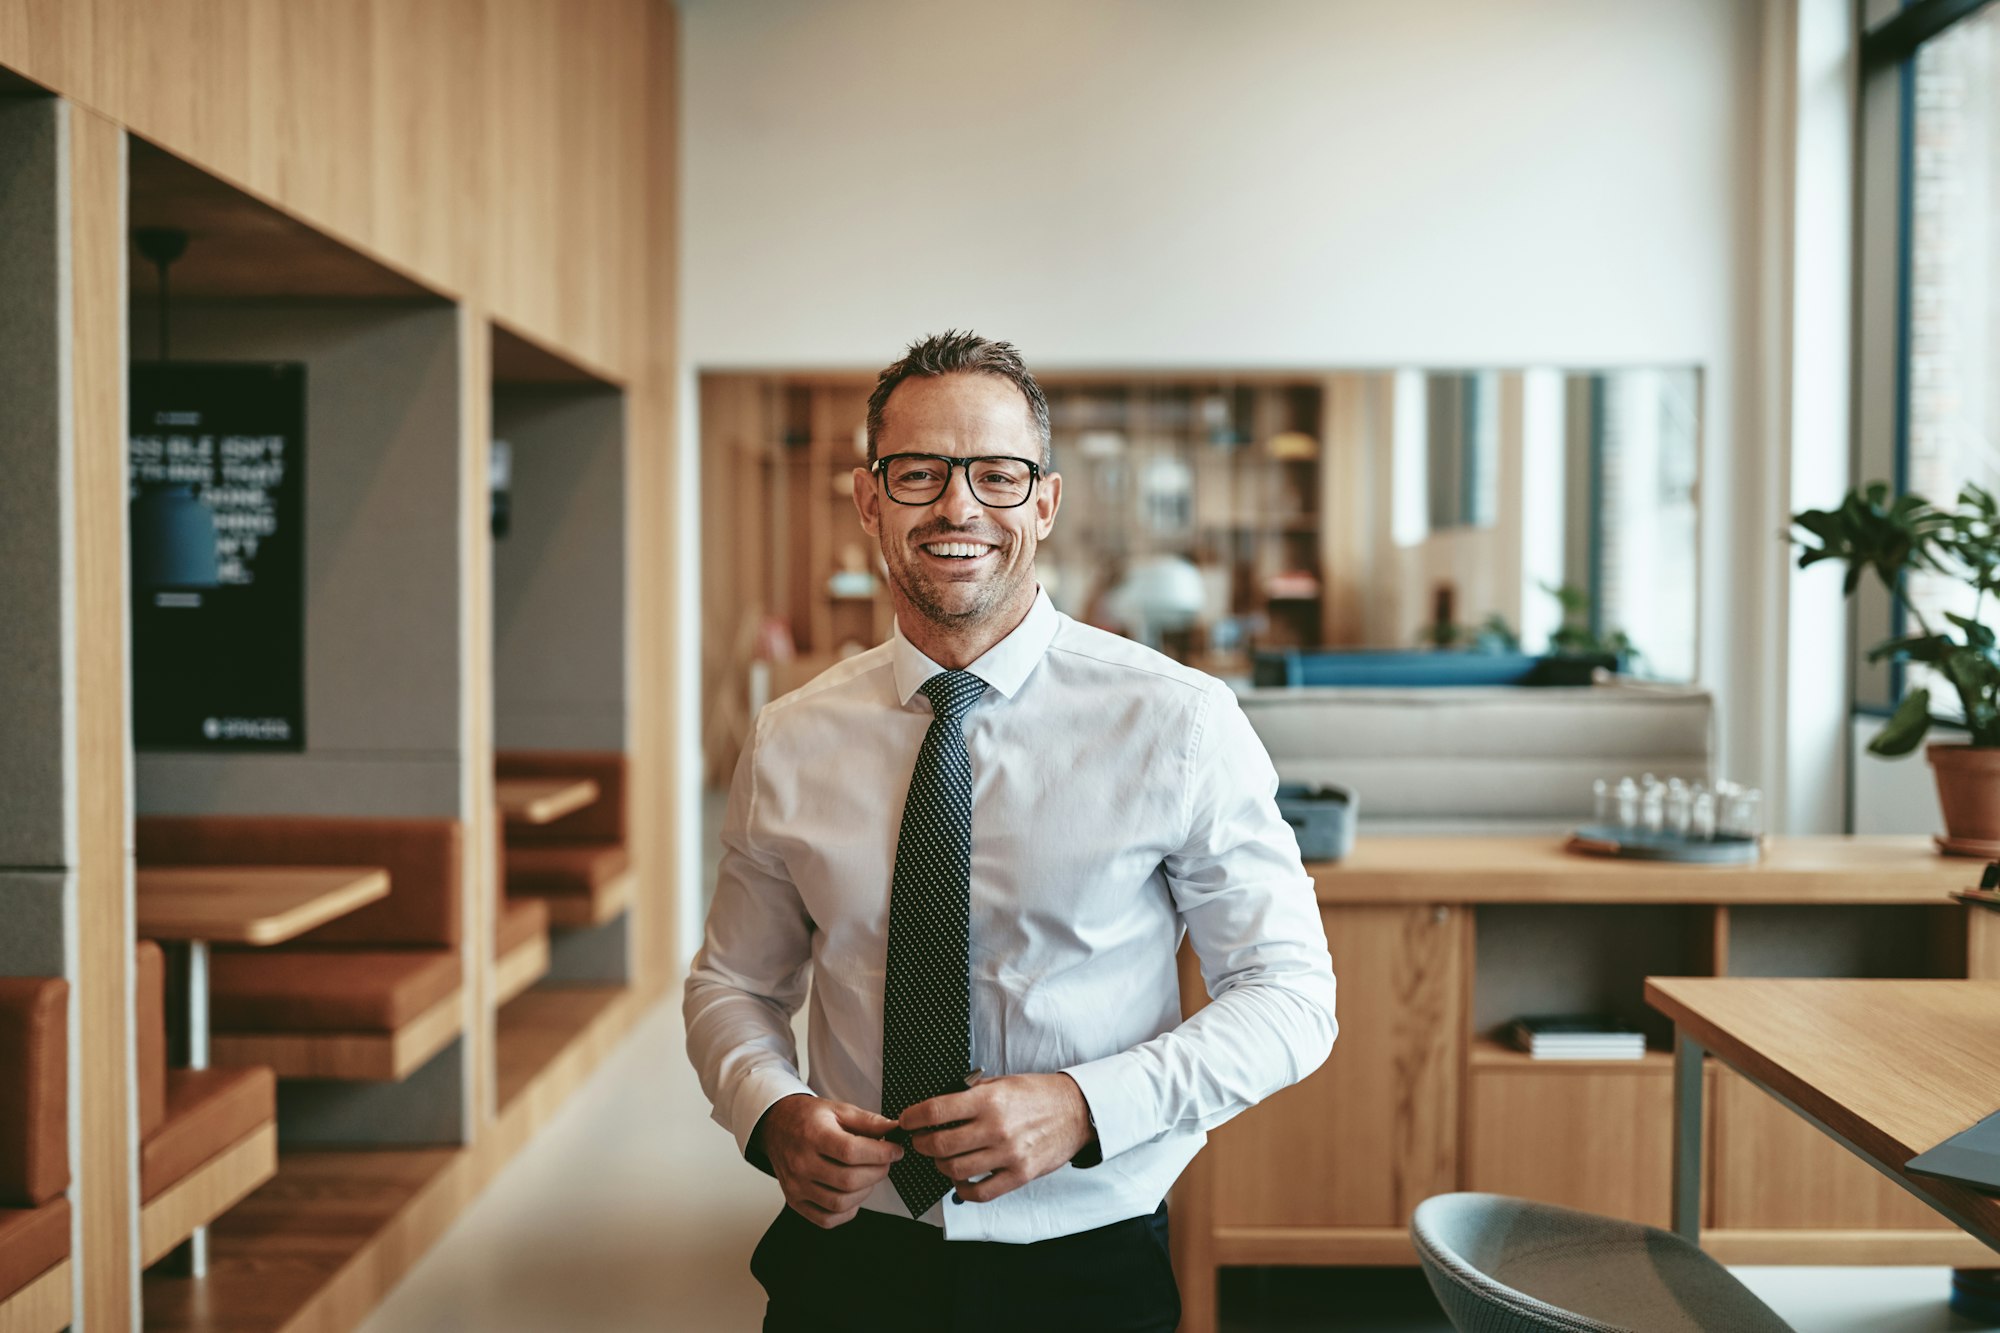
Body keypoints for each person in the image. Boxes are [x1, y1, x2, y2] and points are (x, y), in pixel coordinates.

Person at [684, 331, 1338, 1333]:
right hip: (848, 1256)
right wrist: (767, 1107)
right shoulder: (790, 736)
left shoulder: (1177, 721)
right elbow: (732, 982)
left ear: (1044, 502)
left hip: (1085, 1256)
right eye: (919, 473)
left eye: (997, 474)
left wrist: (1085, 1105)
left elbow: (1290, 997)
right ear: (868, 499)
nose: (957, 506)